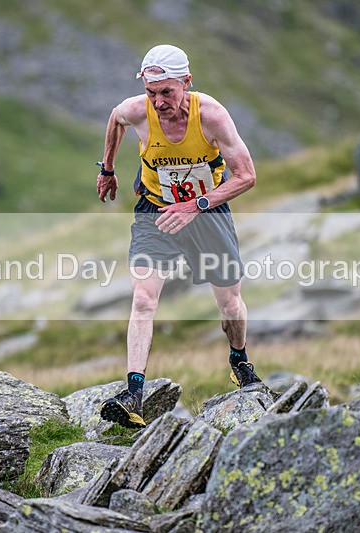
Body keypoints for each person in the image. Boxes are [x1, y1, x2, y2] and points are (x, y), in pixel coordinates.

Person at [96, 44, 262, 429]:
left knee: (231, 307)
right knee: (142, 298)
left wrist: (196, 205)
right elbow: (115, 119)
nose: (158, 102)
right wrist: (107, 168)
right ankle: (133, 393)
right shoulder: (138, 111)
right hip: (155, 212)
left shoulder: (213, 117)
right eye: (151, 93)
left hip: (206, 213)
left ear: (186, 82)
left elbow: (247, 176)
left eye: (166, 92)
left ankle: (239, 360)